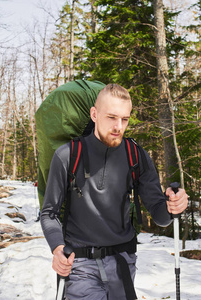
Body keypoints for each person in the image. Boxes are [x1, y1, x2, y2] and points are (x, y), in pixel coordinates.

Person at [40, 83, 189, 300]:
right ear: (94, 114)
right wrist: (57, 248)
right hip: (80, 265)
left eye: (125, 119)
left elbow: (159, 213)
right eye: (111, 117)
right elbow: (49, 213)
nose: (118, 126)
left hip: (122, 264)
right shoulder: (68, 156)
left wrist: (172, 207)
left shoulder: (135, 156)